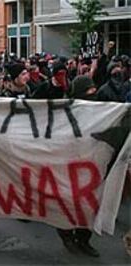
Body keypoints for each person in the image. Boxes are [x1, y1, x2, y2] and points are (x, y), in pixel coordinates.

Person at [55, 75, 99, 257]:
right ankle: (66, 234)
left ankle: (83, 239)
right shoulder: (63, 112)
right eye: (89, 93)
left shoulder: (98, 111)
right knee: (67, 203)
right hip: (68, 165)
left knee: (89, 204)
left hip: (90, 164)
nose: (93, 96)